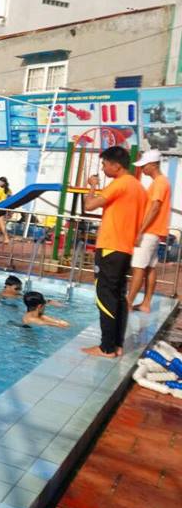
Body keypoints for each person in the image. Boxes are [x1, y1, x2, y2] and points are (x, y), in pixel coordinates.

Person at [81, 146, 147, 358]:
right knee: (119, 297)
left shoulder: (119, 184)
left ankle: (106, 348)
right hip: (125, 249)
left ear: (116, 165)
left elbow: (89, 205)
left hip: (110, 247)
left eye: (105, 164)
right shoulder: (138, 187)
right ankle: (117, 345)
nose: (103, 168)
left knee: (105, 296)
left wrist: (92, 186)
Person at [128, 149, 171, 313]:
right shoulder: (161, 182)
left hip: (149, 231)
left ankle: (128, 303)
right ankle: (146, 303)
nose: (142, 169)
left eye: (144, 166)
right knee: (150, 268)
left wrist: (140, 231)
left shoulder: (159, 182)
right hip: (155, 231)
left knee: (138, 267)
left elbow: (154, 207)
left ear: (153, 165)